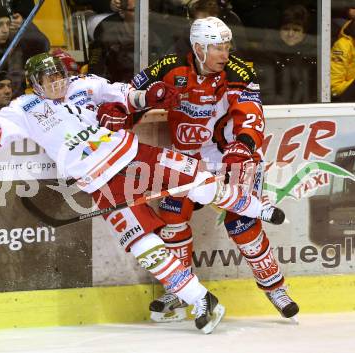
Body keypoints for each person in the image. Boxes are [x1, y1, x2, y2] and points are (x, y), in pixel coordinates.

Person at [0, 52, 284, 333]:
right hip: (98, 180)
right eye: (48, 79)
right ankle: (201, 300)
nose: (57, 83)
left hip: (131, 153)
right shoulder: (24, 108)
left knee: (197, 182)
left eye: (59, 76)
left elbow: (129, 96)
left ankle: (256, 208)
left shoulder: (85, 84)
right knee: (145, 246)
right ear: (34, 83)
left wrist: (153, 94)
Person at [126, 16, 299, 322]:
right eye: (217, 47)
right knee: (172, 217)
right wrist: (115, 121)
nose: (225, 53)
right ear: (198, 48)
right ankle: (182, 290)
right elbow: (128, 98)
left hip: (232, 156)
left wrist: (242, 146)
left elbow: (251, 116)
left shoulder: (238, 72)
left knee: (241, 225)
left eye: (226, 46)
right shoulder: (167, 68)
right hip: (188, 162)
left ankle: (275, 287)